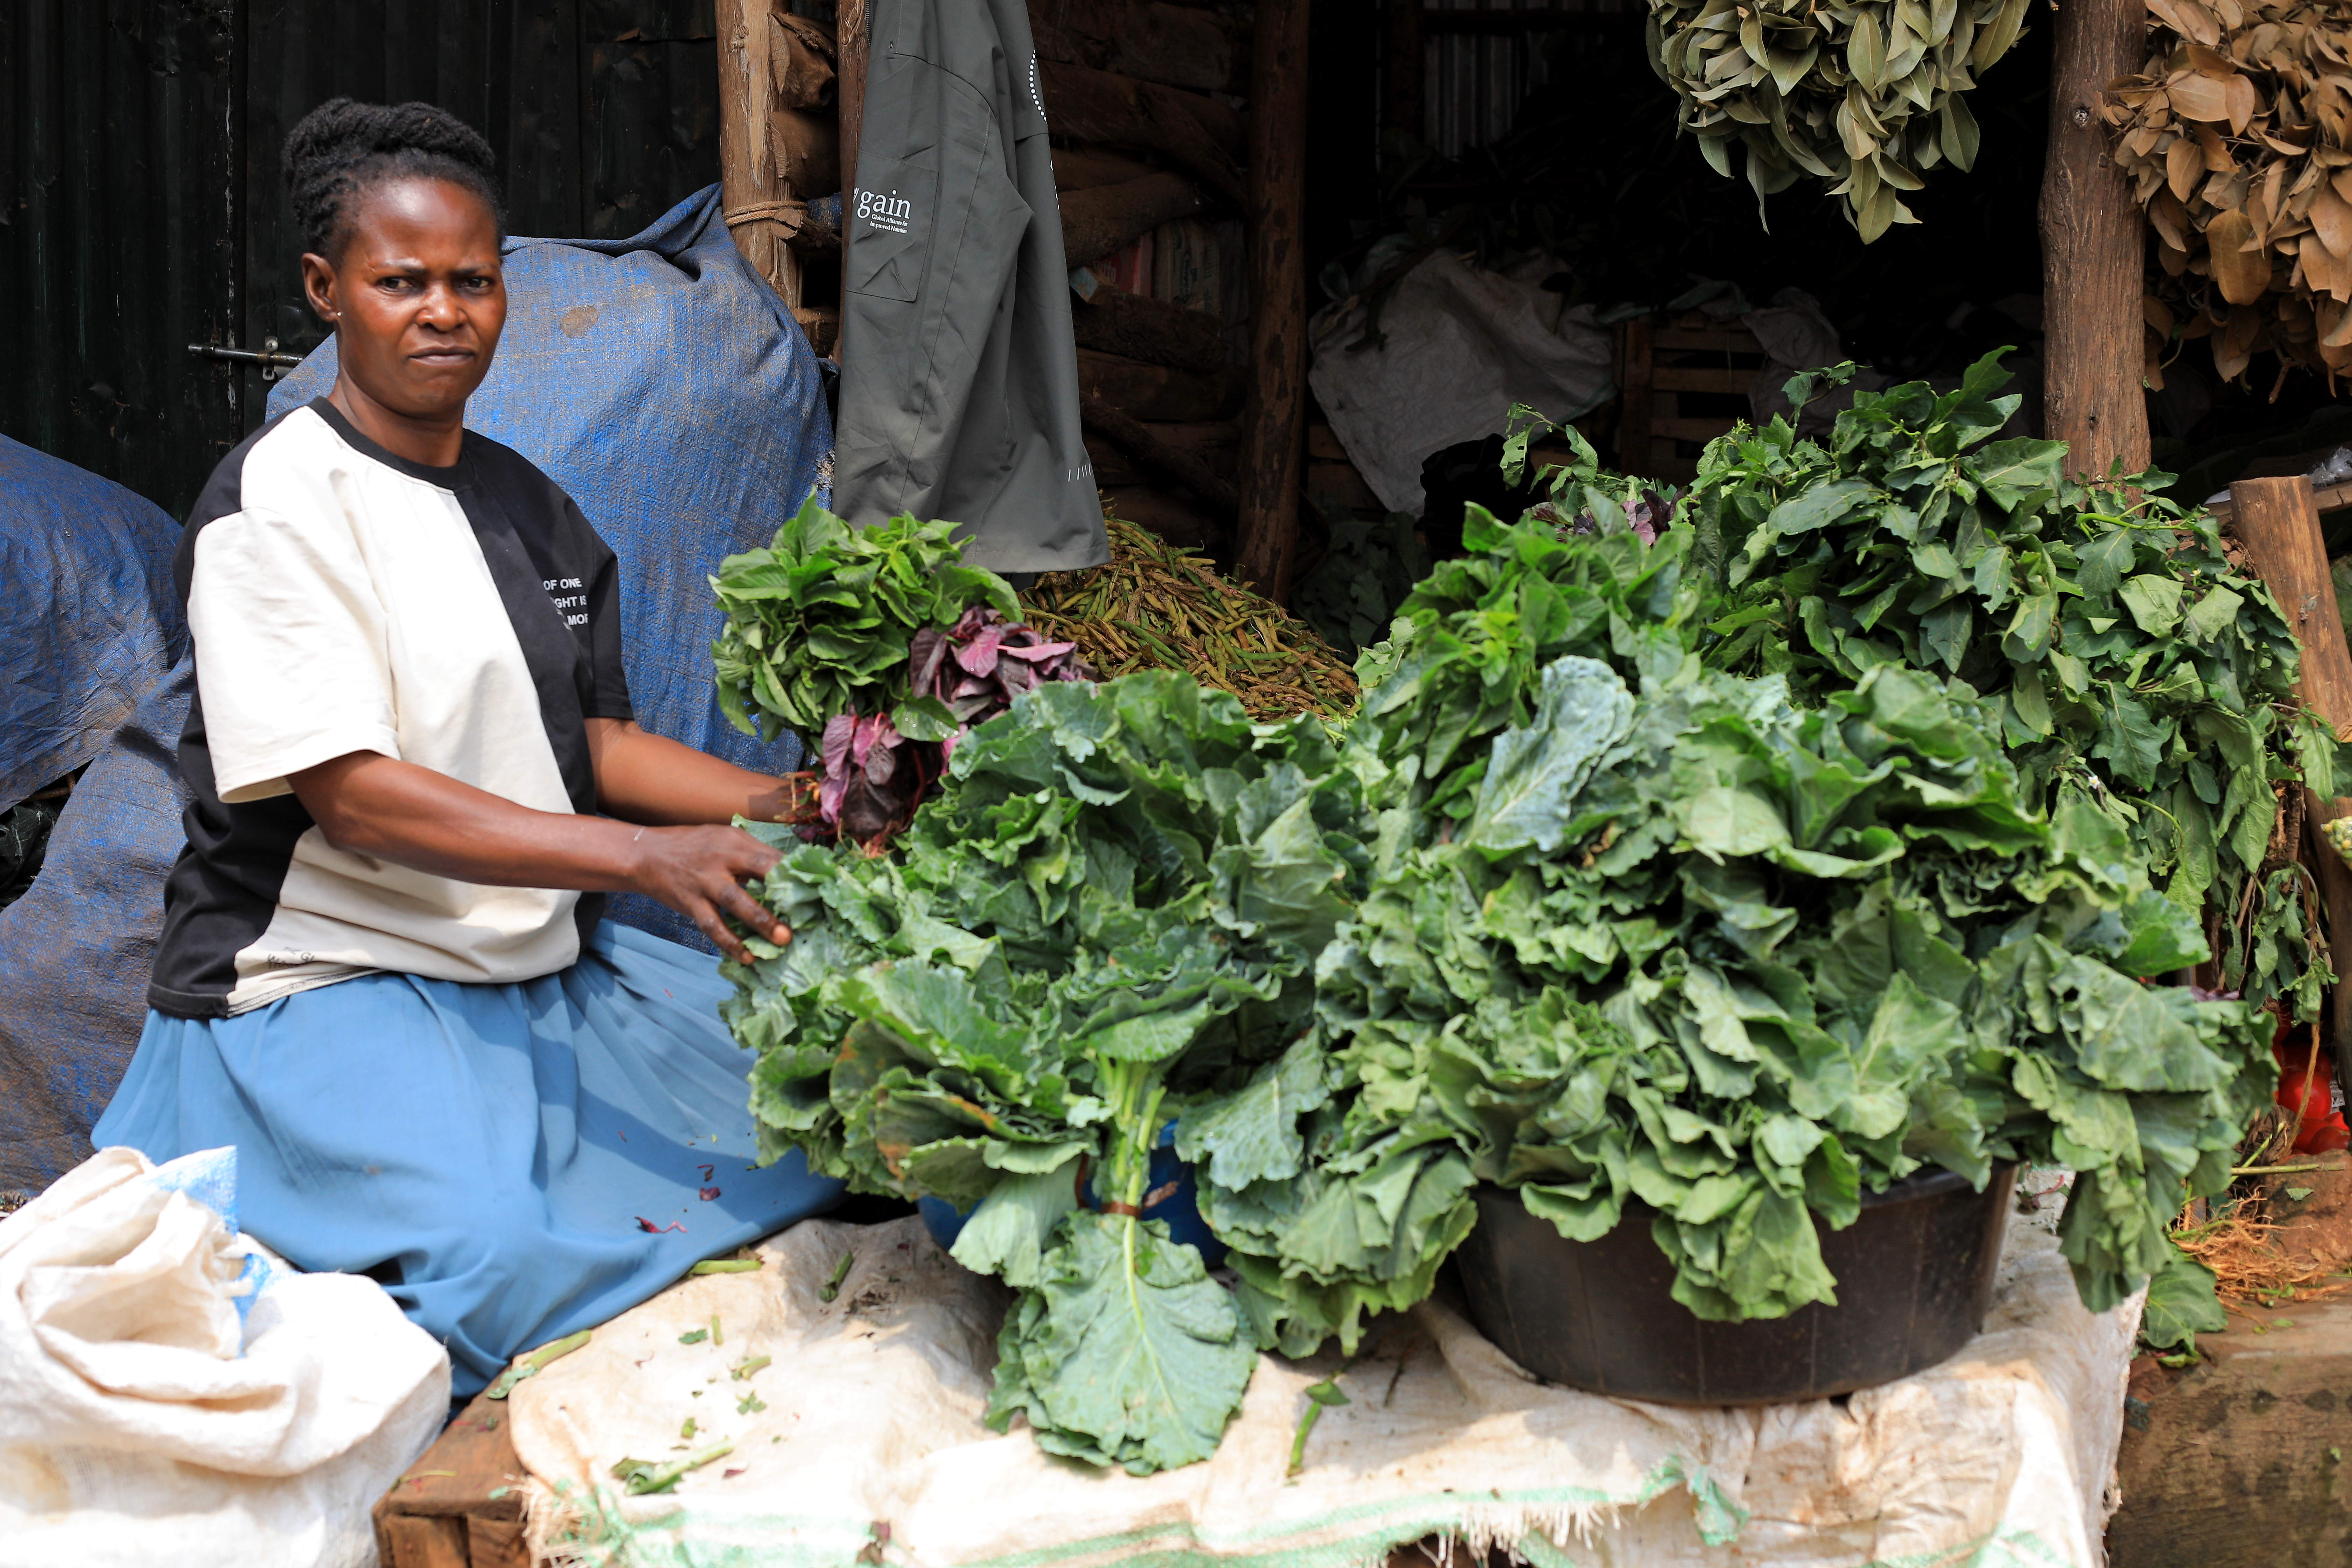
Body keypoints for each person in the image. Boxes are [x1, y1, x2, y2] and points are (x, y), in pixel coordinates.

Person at [91, 98, 842, 1397]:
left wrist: (798, 800)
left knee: (818, 1135)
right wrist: (643, 862)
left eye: (472, 281)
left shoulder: (530, 508)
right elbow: (356, 799)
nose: (445, 311)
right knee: (496, 1263)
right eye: (401, 282)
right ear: (329, 291)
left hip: (529, 968)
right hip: (328, 986)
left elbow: (594, 743)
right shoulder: (279, 504)